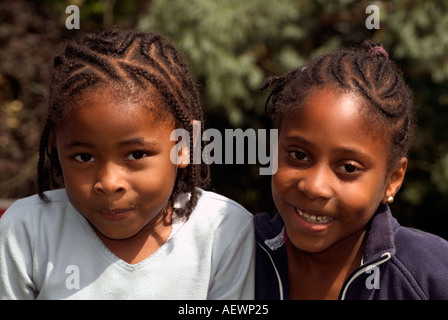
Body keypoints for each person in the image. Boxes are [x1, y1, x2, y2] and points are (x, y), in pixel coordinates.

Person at [0, 29, 254, 300]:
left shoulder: (222, 230)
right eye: (84, 157)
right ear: (56, 147)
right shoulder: (28, 230)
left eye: (136, 155)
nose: (109, 183)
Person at [255, 42, 448, 300]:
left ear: (393, 180)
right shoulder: (233, 252)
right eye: (299, 155)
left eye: (348, 168)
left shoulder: (429, 274)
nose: (314, 187)